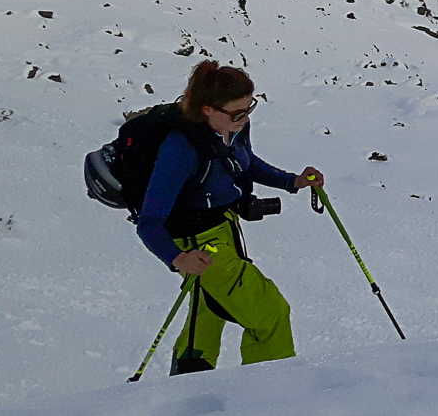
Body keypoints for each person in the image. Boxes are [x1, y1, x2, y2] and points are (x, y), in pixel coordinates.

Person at [134, 60, 324, 374]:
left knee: (208, 311)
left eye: (250, 109)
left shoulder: (234, 128)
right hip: (198, 245)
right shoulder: (180, 149)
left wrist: (293, 181)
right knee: (270, 313)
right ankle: (271, 391)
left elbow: (245, 164)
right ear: (207, 109)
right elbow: (149, 222)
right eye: (238, 112)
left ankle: (189, 383)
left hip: (224, 229)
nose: (245, 118)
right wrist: (178, 258)